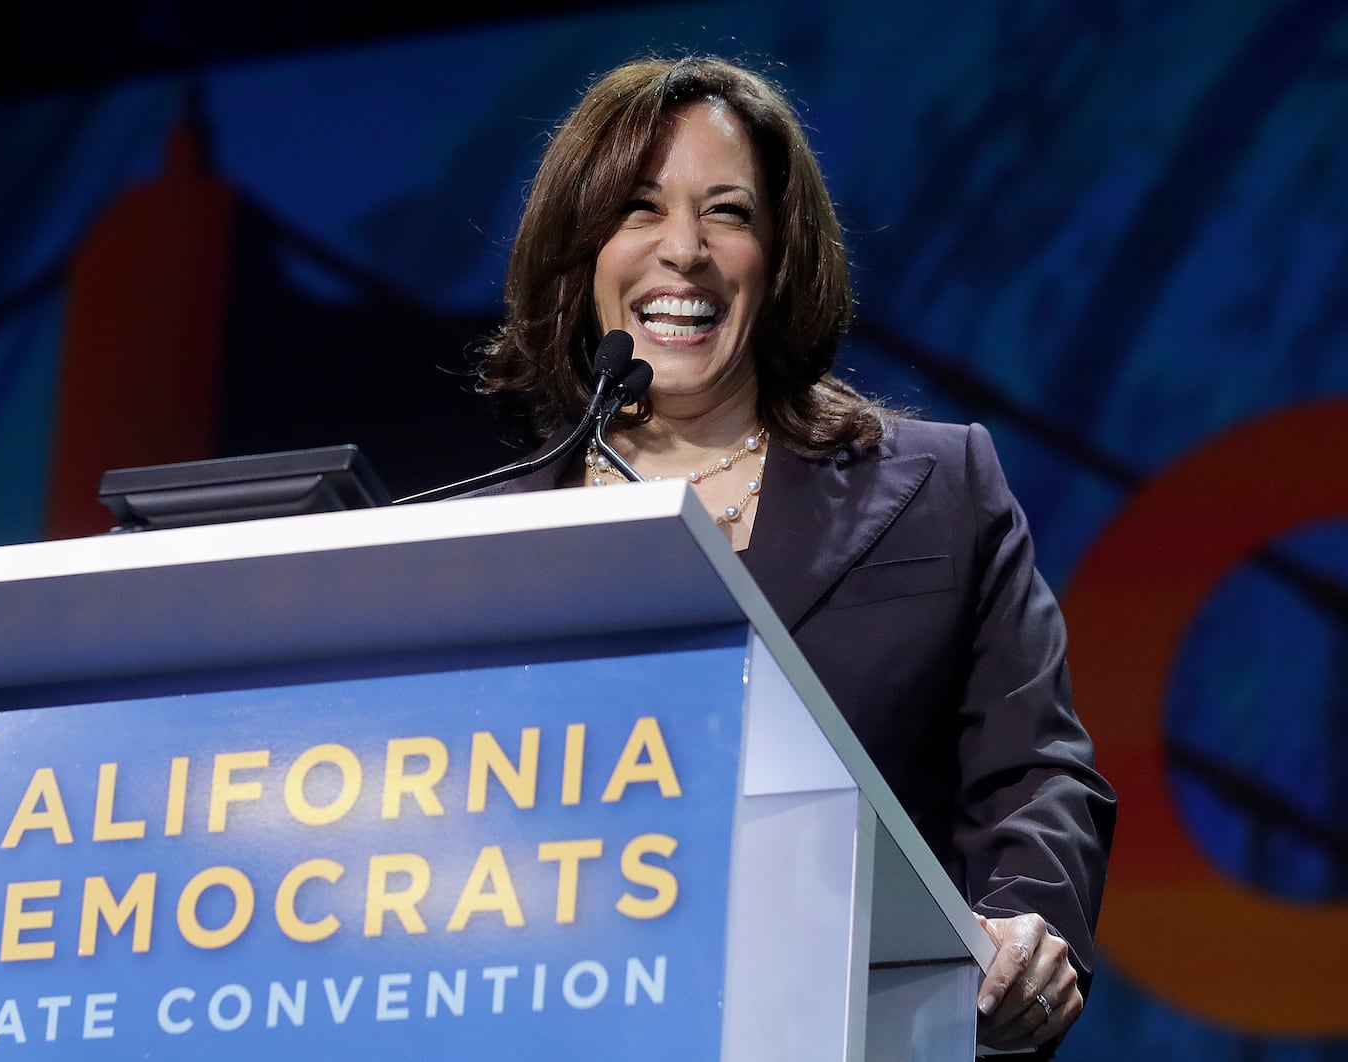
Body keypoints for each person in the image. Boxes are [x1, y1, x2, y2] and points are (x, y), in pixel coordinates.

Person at [475, 54, 1117, 1055]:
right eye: (638, 209)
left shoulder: (939, 490)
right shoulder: (476, 549)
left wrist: (1028, 922)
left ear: (777, 260)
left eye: (726, 213)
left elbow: (1035, 771)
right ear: (579, 254)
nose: (681, 251)